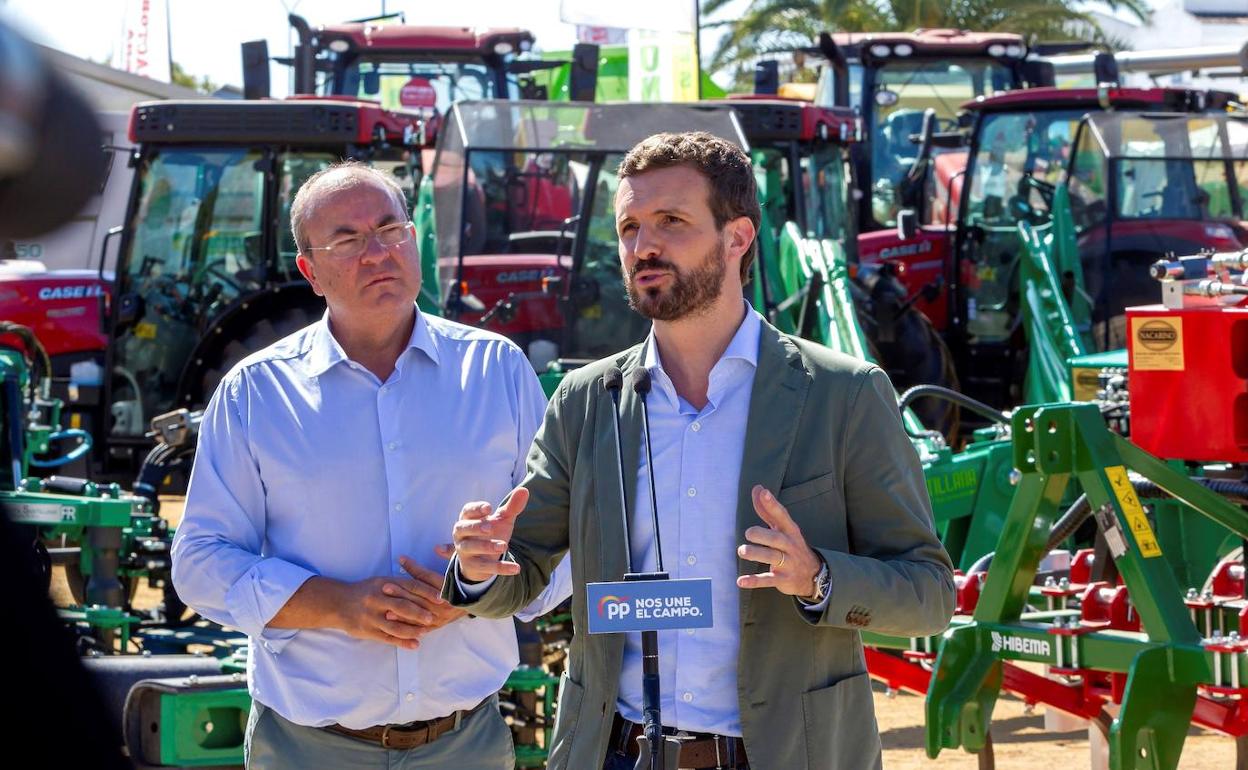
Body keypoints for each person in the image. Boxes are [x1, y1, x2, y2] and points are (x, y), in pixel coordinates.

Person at [444, 131, 956, 770]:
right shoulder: (583, 401)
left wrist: (818, 577)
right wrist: (480, 566)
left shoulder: (842, 395)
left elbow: (931, 594)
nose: (643, 245)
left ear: (737, 238)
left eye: (671, 222)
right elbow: (523, 575)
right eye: (629, 226)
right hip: (615, 752)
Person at [172, 162, 568, 769]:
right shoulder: (256, 392)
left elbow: (555, 546)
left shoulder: (498, 372)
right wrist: (336, 605)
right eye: (349, 239)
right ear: (310, 270)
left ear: (413, 238)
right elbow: (201, 563)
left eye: (390, 229)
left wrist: (479, 588)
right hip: (307, 747)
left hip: (466, 743)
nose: (377, 252)